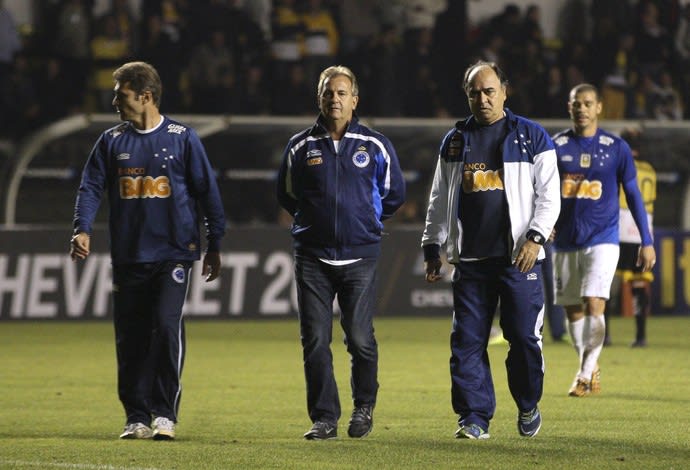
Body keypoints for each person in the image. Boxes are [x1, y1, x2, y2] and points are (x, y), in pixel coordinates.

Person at [69, 61, 226, 440]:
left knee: (166, 325)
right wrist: (82, 228)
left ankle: (164, 413)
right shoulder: (111, 141)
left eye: (121, 94)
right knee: (131, 336)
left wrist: (214, 243)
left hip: (174, 252)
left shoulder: (183, 138)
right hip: (129, 255)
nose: (114, 101)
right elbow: (90, 187)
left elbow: (208, 193)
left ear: (146, 96)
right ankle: (136, 416)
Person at [421, 60, 561, 440]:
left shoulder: (532, 136)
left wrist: (535, 238)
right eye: (474, 92)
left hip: (519, 260)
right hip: (471, 261)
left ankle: (528, 402)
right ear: (466, 95)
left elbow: (550, 196)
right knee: (466, 341)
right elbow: (438, 198)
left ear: (504, 91)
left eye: (489, 91)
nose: (482, 99)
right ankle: (474, 417)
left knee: (523, 339)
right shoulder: (453, 141)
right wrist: (432, 244)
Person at [277, 65, 406, 440]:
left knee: (361, 338)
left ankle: (364, 407)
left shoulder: (375, 145)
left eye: (341, 93)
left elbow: (393, 193)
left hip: (360, 256)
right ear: (319, 98)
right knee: (315, 339)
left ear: (355, 100)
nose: (335, 99)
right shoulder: (300, 146)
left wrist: (364, 221)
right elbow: (286, 194)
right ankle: (324, 418)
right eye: (328, 93)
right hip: (313, 257)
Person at [551, 84, 655, 398]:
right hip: (565, 240)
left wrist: (646, 240)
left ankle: (583, 375)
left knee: (594, 302)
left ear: (599, 108)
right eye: (575, 104)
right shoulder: (555, 146)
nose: (581, 109)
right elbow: (540, 191)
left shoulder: (616, 147)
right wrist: (542, 225)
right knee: (573, 311)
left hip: (603, 238)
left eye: (587, 103)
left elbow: (634, 194)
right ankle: (591, 364)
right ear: (569, 108)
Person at [608, 128, 657, 347]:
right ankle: (641, 336)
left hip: (620, 225)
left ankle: (605, 336)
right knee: (639, 284)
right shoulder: (650, 170)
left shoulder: (620, 165)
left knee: (608, 282)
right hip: (643, 228)